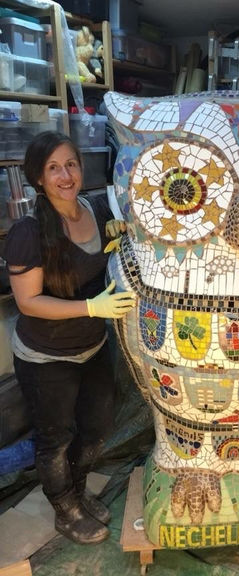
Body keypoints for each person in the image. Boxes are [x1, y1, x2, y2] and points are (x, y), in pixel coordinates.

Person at [4, 131, 136, 545]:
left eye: (71, 164)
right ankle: (65, 509)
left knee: (97, 427)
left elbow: (111, 256)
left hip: (91, 345)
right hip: (45, 356)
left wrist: (122, 235)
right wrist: (91, 308)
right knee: (55, 438)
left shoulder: (97, 208)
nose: (66, 176)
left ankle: (76, 490)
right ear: (38, 178)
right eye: (53, 168)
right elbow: (29, 302)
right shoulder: (28, 232)